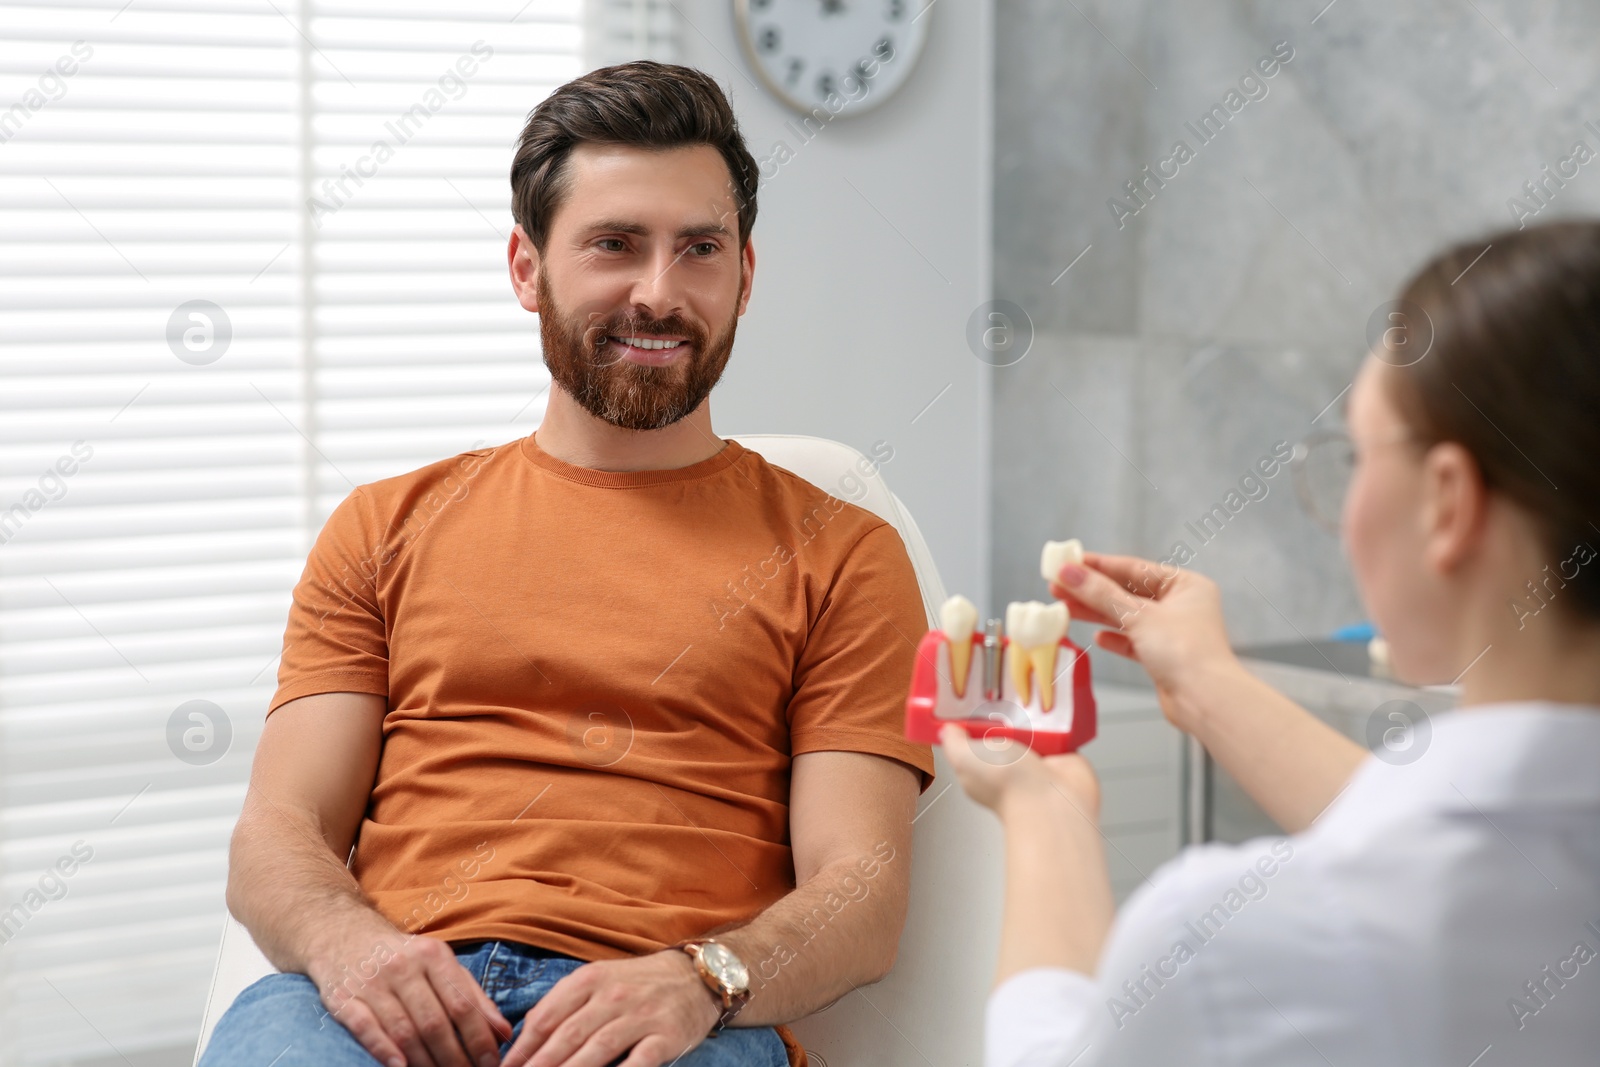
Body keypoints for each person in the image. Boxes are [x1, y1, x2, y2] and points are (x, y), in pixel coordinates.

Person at [202, 61, 935, 1067]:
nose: (659, 292)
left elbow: (861, 890)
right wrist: (350, 945)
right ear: (524, 268)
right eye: (613, 245)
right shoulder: (383, 526)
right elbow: (278, 829)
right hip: (391, 995)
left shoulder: (843, 555)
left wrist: (702, 978)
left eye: (699, 250)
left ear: (744, 277)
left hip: (667, 1016)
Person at [942, 218, 1600, 1065]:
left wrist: (1044, 809)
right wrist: (1211, 685)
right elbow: (1484, 851)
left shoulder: (1235, 951)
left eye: (1358, 454)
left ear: (1448, 502)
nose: (1341, 507)